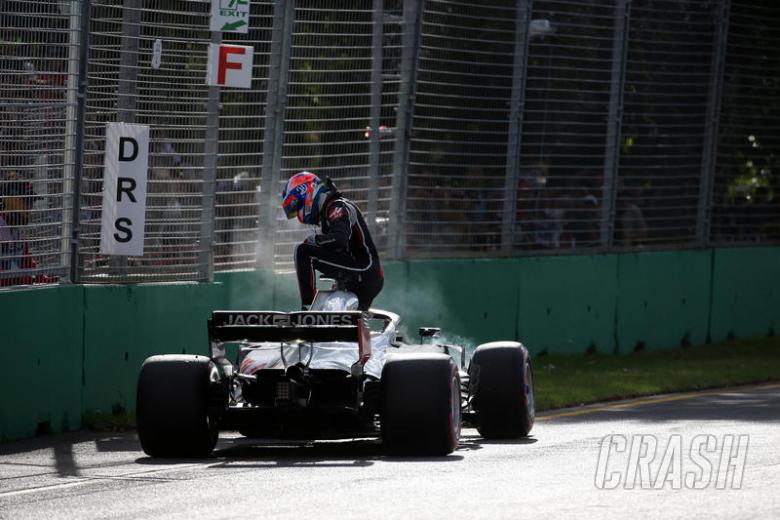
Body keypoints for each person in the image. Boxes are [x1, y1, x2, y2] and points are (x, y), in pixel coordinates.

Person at [282, 171, 383, 311]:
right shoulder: (329, 211)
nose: (299, 215)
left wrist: (315, 241)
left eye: (298, 207)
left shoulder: (336, 207)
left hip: (364, 271)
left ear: (307, 194)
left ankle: (307, 308)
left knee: (302, 252)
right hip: (364, 277)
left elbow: (340, 239)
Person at [0, 176, 55, 286]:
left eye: (32, 202)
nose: (31, 207)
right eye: (27, 202)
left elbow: (27, 262)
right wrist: (27, 280)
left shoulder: (16, 229)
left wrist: (44, 280)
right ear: (12, 201)